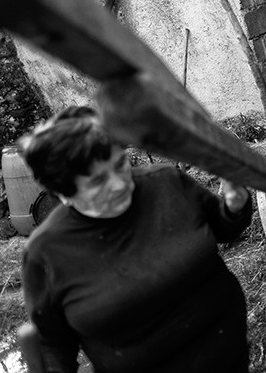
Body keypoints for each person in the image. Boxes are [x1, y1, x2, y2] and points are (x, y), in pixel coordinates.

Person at [19, 105, 252, 373]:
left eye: (120, 165)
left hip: (228, 354)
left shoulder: (167, 183)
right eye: (97, 182)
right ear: (62, 192)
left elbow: (223, 229)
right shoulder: (46, 252)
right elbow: (54, 344)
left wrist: (234, 205)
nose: (119, 184)